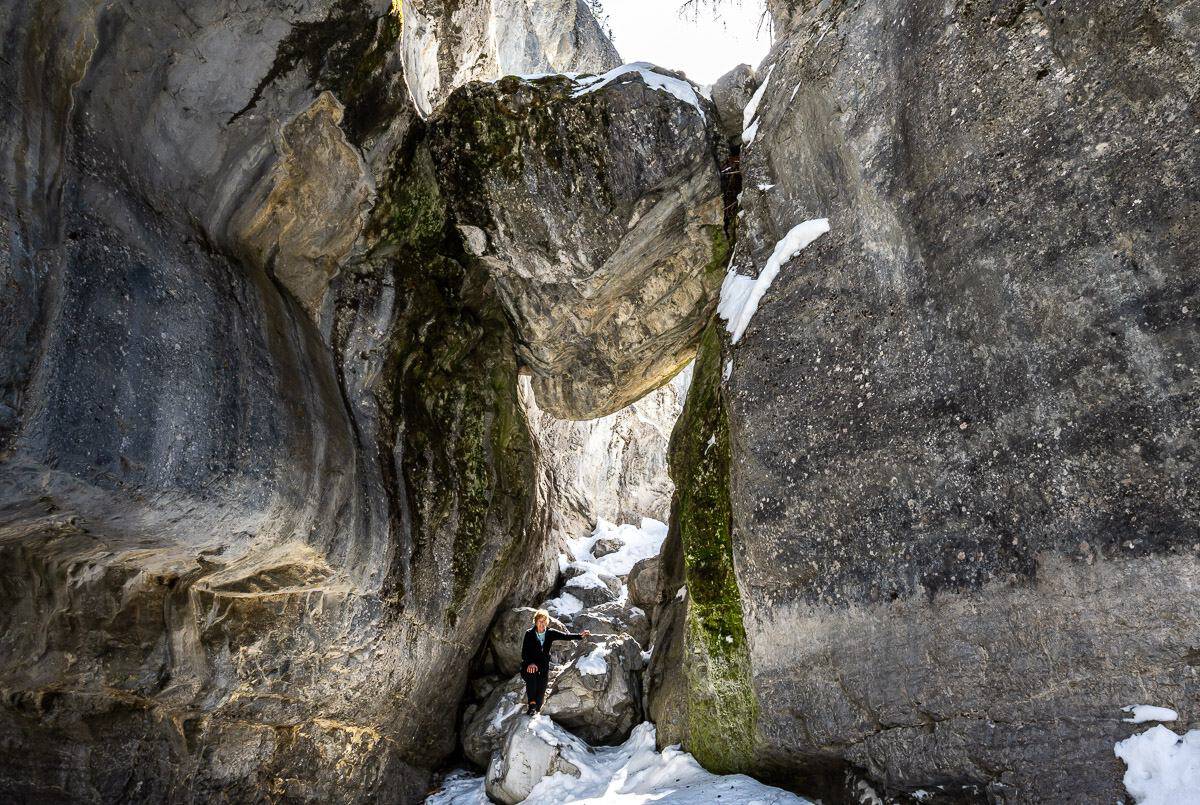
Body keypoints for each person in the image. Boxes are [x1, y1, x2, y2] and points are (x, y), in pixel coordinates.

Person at [520, 609, 589, 715]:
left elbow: (565, 636)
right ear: (535, 621)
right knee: (532, 675)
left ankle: (536, 706)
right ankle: (531, 704)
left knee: (540, 702)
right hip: (529, 665)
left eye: (544, 621)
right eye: (540, 621)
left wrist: (580, 636)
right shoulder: (529, 634)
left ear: (547, 622)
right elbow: (524, 653)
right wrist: (530, 663)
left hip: (543, 667)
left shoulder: (550, 633)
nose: (542, 623)